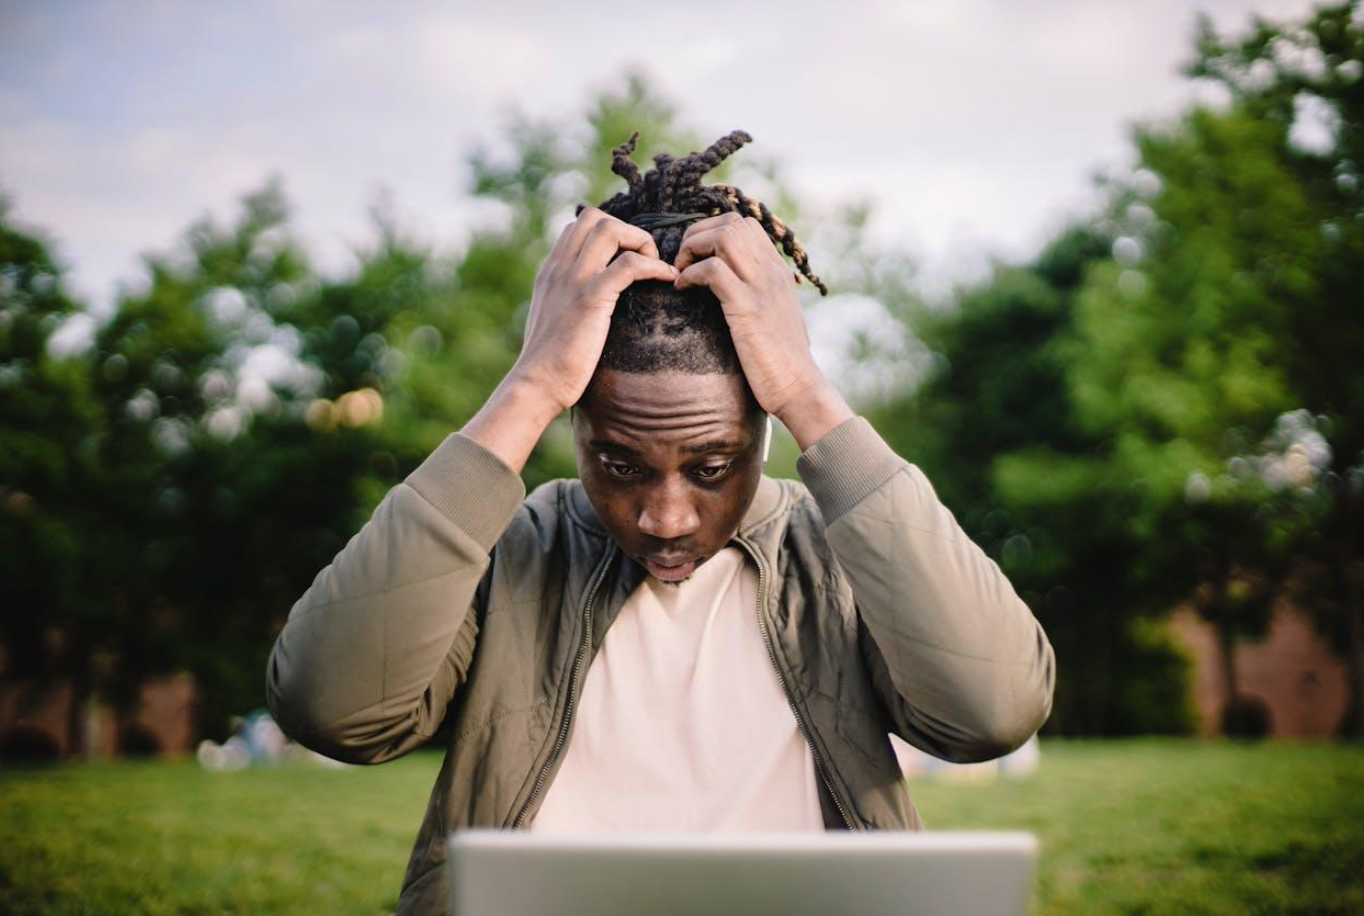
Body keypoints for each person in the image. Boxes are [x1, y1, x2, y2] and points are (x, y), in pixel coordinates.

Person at [265, 129, 1056, 915]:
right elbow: (330, 710)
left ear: (766, 429)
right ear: (574, 426)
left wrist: (809, 390)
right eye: (620, 465)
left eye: (711, 468)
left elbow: (992, 712)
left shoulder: (844, 551)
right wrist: (529, 385)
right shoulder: (509, 550)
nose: (665, 518)